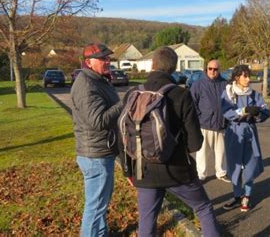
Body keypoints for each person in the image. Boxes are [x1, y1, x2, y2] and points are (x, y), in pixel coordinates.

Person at [118, 46, 219, 237]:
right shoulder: (181, 94)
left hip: (142, 170)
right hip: (177, 171)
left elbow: (122, 134)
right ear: (173, 68)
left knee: (146, 223)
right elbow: (195, 143)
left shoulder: (133, 93)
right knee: (204, 208)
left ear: (152, 65)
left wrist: (128, 170)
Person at [71, 43, 124, 236]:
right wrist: (125, 103)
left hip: (101, 152)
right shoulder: (86, 84)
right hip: (95, 156)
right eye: (102, 58)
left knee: (100, 204)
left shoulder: (98, 80)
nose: (107, 61)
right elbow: (99, 121)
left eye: (108, 58)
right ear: (89, 62)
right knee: (95, 207)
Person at [221, 64, 270, 212]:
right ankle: (237, 196)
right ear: (237, 77)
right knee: (235, 166)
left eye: (249, 76)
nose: (248, 79)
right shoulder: (228, 94)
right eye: (245, 76)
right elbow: (227, 112)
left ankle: (246, 196)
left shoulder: (254, 95)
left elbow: (265, 110)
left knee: (250, 164)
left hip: (250, 132)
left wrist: (257, 114)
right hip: (234, 133)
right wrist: (244, 110)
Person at [190, 59, 229, 182]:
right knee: (202, 152)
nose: (212, 71)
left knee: (221, 152)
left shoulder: (225, 84)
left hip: (221, 124)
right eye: (210, 69)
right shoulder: (198, 84)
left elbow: (230, 102)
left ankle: (221, 172)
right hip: (204, 124)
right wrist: (200, 117)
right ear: (206, 69)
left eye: (215, 69)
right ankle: (201, 174)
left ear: (219, 70)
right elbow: (192, 103)